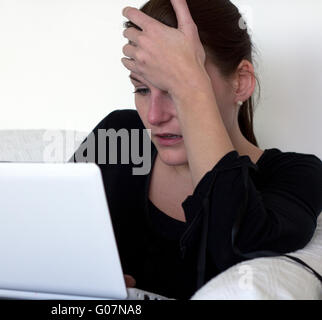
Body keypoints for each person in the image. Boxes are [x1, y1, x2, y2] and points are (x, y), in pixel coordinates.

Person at [69, 0, 322, 299]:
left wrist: (191, 87)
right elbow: (47, 240)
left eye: (176, 89)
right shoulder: (120, 137)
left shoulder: (296, 174)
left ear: (240, 82)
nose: (154, 116)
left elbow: (235, 249)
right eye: (142, 89)